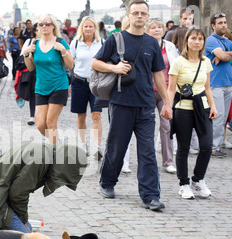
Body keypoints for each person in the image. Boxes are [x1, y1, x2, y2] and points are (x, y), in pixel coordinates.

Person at [92, 0, 171, 211]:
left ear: (147, 16)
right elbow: (95, 62)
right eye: (135, 13)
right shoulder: (116, 38)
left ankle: (150, 196)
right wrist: (115, 67)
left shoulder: (152, 43)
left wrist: (167, 102)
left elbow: (158, 75)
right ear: (128, 15)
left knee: (147, 152)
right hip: (121, 103)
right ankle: (107, 182)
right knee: (117, 148)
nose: (139, 16)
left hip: (145, 105)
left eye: (142, 13)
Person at [0, 143, 87, 233]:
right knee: (26, 237)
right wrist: (23, 219)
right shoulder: (42, 158)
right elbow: (18, 194)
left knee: (29, 231)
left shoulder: (46, 152)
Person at [167, 27, 218, 199]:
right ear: (187, 40)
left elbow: (207, 88)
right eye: (193, 38)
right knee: (183, 148)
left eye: (200, 39)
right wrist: (168, 106)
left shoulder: (206, 62)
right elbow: (171, 88)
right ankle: (183, 183)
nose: (197, 42)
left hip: (202, 107)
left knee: (206, 146)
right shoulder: (178, 62)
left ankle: (198, 179)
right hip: (183, 108)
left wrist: (213, 106)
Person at [23, 14, 74, 144]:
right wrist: (25, 54)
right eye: (41, 24)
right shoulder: (35, 44)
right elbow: (30, 68)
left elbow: (71, 65)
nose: (44, 26)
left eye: (48, 24)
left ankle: (54, 155)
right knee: (40, 125)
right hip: (41, 87)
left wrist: (63, 51)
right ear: (38, 27)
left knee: (51, 122)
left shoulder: (60, 42)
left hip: (58, 86)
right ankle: (57, 141)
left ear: (53, 26)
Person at [206, 13, 232, 158]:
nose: (224, 25)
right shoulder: (211, 40)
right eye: (220, 23)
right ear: (213, 26)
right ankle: (213, 148)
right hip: (216, 84)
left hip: (228, 83)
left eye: (225, 22)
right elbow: (222, 57)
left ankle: (217, 143)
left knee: (223, 117)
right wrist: (225, 55)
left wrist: (225, 53)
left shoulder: (226, 40)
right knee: (218, 116)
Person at [146, 18, 178, 174]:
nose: (157, 30)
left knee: (166, 126)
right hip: (147, 92)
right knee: (146, 127)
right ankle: (148, 160)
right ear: (147, 30)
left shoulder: (170, 47)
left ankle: (168, 161)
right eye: (153, 28)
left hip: (165, 92)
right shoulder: (144, 45)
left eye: (159, 27)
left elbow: (175, 67)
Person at [70, 16, 104, 160]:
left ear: (95, 28)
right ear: (81, 28)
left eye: (91, 26)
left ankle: (97, 146)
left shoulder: (101, 42)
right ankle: (83, 144)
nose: (88, 29)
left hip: (96, 83)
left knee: (96, 115)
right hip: (79, 82)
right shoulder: (76, 43)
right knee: (81, 115)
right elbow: (70, 62)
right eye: (86, 26)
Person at [20, 23, 38, 126]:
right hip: (32, 70)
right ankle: (32, 115)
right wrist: (28, 52)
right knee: (32, 93)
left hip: (44, 71)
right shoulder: (29, 41)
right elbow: (22, 55)